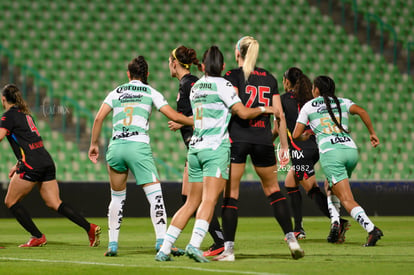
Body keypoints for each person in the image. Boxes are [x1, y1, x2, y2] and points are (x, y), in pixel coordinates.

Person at [155, 45, 277, 263]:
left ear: (202, 66)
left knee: (190, 203)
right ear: (222, 66)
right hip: (215, 149)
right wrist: (265, 109)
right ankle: (193, 245)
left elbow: (197, 118)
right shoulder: (224, 85)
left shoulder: (196, 87)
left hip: (195, 150)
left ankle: (164, 249)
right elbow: (243, 112)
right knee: (209, 200)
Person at [88, 56, 193, 256]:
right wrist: (195, 122)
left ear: (128, 74)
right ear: (147, 75)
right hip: (138, 147)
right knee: (155, 196)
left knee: (117, 197)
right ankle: (162, 242)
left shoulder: (116, 91)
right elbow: (173, 116)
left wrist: (94, 144)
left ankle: (113, 245)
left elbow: (98, 117)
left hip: (116, 146)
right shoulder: (151, 91)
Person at [214, 36, 304, 261]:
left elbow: (234, 109)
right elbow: (280, 115)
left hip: (237, 139)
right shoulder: (270, 78)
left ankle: (229, 250)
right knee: (274, 190)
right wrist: (283, 146)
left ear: (237, 53)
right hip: (264, 140)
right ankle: (292, 240)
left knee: (231, 194)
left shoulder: (231, 76)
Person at [0, 84, 101, 248]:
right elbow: (29, 143)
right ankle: (89, 228)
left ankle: (37, 236)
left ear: (3, 99)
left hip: (32, 164)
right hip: (46, 161)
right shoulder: (26, 115)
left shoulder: (8, 117)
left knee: (10, 201)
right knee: (54, 202)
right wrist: (18, 162)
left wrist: (22, 162)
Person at [292, 75, 383, 246]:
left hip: (331, 152)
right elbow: (362, 111)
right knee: (330, 186)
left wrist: (309, 134)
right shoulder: (343, 101)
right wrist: (372, 133)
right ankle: (335, 223)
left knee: (346, 198)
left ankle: (371, 229)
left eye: (313, 87)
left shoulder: (309, 106)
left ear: (317, 90)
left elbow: (296, 134)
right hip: (350, 150)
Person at [167, 45, 225, 257]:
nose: (168, 66)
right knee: (187, 197)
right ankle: (176, 242)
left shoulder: (191, 84)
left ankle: (218, 240)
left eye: (169, 62)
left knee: (198, 198)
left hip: (204, 146)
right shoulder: (186, 83)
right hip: (196, 146)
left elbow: (202, 116)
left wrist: (181, 121)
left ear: (175, 63)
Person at [280, 67, 349, 243]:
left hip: (299, 150)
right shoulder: (311, 99)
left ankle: (338, 222)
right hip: (315, 147)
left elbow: (278, 126)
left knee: (311, 189)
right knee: (290, 182)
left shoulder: (282, 100)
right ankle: (298, 228)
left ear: (287, 82)